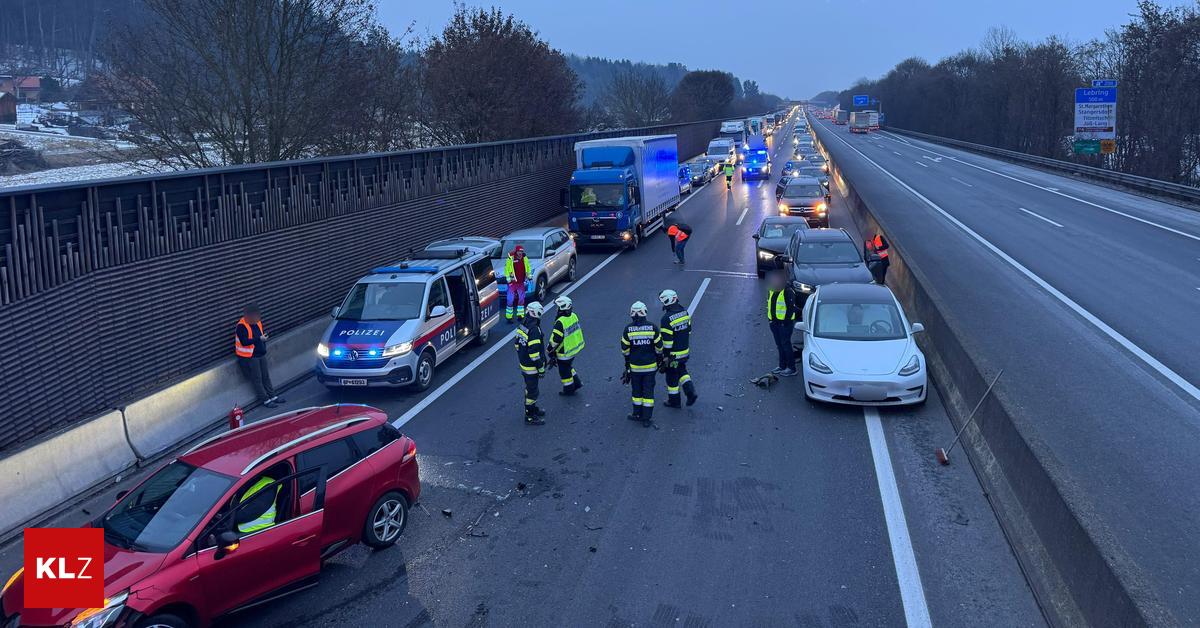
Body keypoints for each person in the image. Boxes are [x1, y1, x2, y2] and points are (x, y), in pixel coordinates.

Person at [621, 301, 663, 426]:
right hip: (650, 367)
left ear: (632, 314)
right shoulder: (653, 327)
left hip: (635, 368)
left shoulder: (628, 329)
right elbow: (659, 347)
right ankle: (646, 418)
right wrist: (659, 358)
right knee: (648, 391)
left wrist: (627, 363)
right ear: (645, 313)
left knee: (637, 392)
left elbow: (625, 349)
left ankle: (637, 413)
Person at [235, 305, 285, 408]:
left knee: (266, 376)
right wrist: (259, 339)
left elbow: (260, 335)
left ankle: (273, 396)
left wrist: (263, 341)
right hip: (250, 356)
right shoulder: (241, 326)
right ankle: (266, 400)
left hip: (260, 354)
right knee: (257, 379)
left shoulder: (257, 322)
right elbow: (244, 342)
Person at [658, 289, 698, 408]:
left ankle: (674, 401)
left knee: (671, 377)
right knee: (682, 370)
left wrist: (665, 357)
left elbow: (667, 342)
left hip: (673, 355)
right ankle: (690, 392)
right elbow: (689, 331)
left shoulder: (666, 319)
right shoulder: (685, 313)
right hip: (684, 352)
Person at [514, 301, 547, 425]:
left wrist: (522, 356)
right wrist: (541, 368)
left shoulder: (524, 324)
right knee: (533, 391)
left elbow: (516, 344)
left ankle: (533, 409)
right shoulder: (534, 330)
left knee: (530, 388)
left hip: (524, 363)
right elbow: (534, 352)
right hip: (531, 367)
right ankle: (530, 415)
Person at [549, 295, 585, 396]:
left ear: (562, 308)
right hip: (573, 348)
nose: (556, 309)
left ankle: (569, 389)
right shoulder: (573, 315)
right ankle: (577, 383)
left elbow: (555, 339)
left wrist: (549, 350)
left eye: (557, 307)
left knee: (564, 372)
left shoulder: (560, 322)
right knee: (568, 366)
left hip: (564, 351)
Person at [766, 272, 799, 376]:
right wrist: (770, 320)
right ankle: (782, 366)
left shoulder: (788, 292)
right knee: (779, 345)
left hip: (784, 324)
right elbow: (770, 304)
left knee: (786, 345)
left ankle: (792, 368)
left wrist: (785, 322)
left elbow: (790, 309)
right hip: (774, 323)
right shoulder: (772, 290)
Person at [504, 245, 531, 323]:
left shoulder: (525, 258)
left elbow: (528, 267)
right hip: (512, 283)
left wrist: (529, 276)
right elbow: (506, 269)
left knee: (521, 299)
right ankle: (509, 317)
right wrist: (509, 280)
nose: (520, 253)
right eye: (519, 251)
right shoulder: (511, 258)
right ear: (516, 251)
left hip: (521, 282)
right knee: (510, 300)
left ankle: (520, 315)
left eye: (521, 252)